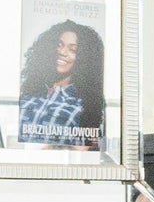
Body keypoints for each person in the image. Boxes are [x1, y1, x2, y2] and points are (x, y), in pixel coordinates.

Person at [17, 18, 106, 151]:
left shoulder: (86, 105)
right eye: (59, 45)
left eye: (73, 50)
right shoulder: (28, 94)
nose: (62, 52)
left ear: (84, 58)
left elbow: (87, 153)